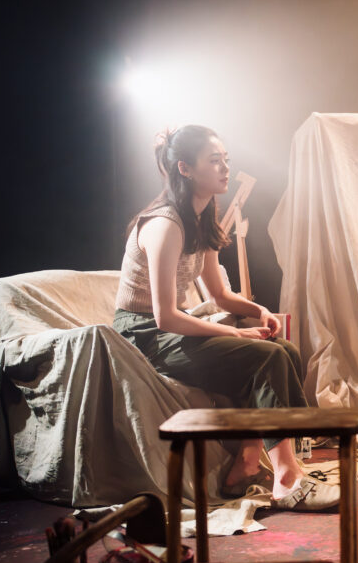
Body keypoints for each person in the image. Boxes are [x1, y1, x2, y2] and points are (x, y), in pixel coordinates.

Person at [112, 125, 338, 511]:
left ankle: (247, 463)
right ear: (185, 168)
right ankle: (286, 480)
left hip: (169, 327)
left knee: (282, 349)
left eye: (226, 160)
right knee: (265, 356)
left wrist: (258, 312)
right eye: (214, 160)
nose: (225, 168)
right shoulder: (165, 224)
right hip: (142, 335)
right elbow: (164, 317)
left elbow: (219, 294)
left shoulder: (201, 221)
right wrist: (236, 336)